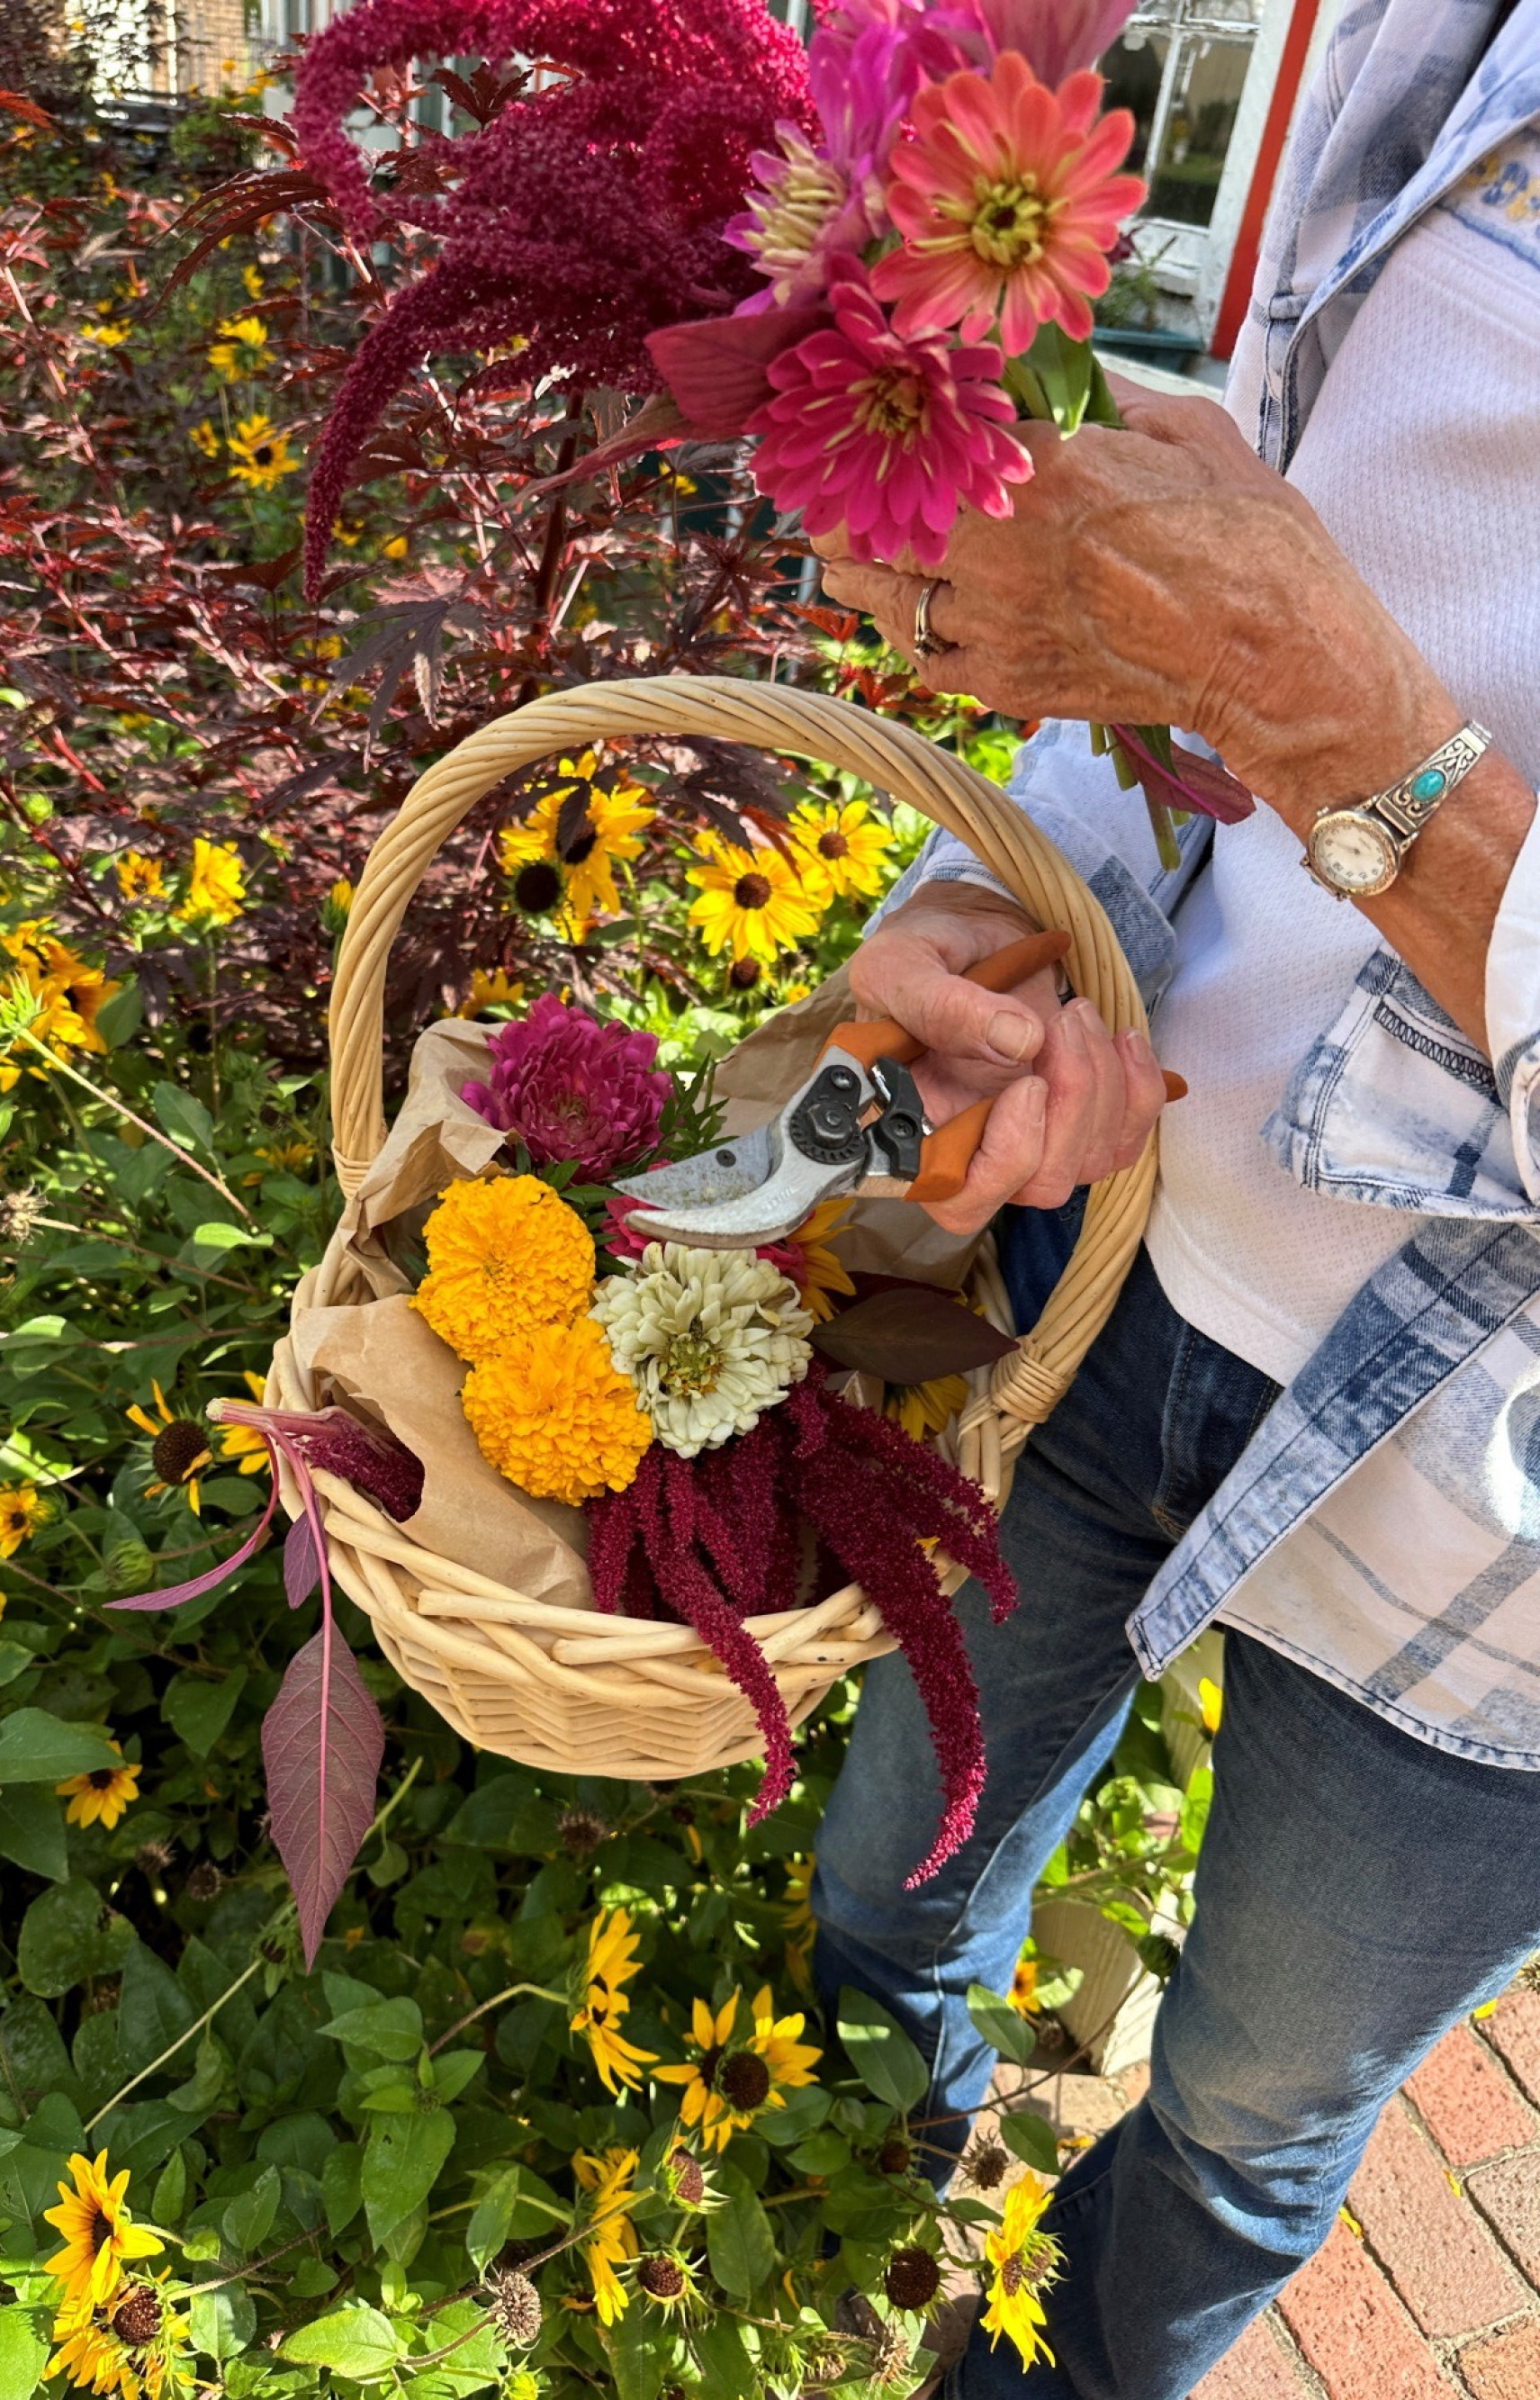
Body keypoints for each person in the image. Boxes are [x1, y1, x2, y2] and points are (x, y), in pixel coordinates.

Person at [809, 2, 1540, 2394]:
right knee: (886, 1889)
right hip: (1087, 1263)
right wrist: (981, 890)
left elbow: (1301, 655)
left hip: (1490, 1543)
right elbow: (1239, 572)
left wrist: (1355, 736)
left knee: (1242, 2113)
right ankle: (848, 2251)